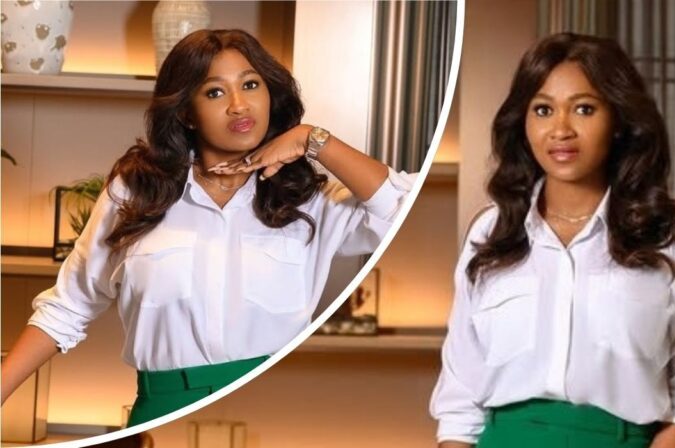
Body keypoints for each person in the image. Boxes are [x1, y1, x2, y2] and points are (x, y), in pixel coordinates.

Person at [1, 29, 414, 427]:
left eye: (251, 85)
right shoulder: (137, 191)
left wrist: (313, 140)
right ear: (186, 112)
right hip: (164, 409)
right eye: (215, 92)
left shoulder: (308, 198)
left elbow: (399, 207)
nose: (238, 105)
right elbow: (67, 307)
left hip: (277, 406)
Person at [430, 33, 675, 448]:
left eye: (584, 108)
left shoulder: (669, 230)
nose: (560, 129)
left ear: (617, 121)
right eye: (543, 110)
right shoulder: (491, 232)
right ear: (522, 124)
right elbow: (459, 400)